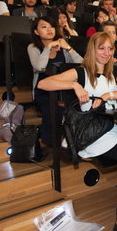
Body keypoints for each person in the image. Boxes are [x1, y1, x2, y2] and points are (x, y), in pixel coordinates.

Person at [37, 32, 117, 231]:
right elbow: (43, 84)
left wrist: (108, 95)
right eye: (102, 48)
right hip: (92, 133)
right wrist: (74, 85)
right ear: (92, 49)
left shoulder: (115, 71)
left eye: (110, 49)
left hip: (113, 126)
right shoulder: (80, 72)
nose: (106, 53)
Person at [27, 17, 83, 145]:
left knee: (79, 108)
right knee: (54, 110)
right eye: (44, 27)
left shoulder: (62, 47)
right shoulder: (33, 47)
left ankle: (74, 142)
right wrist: (48, 48)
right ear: (36, 32)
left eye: (51, 26)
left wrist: (68, 47)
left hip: (64, 89)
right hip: (43, 91)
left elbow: (81, 64)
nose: (49, 29)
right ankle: (55, 143)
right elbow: (39, 67)